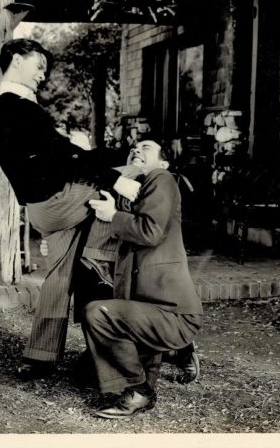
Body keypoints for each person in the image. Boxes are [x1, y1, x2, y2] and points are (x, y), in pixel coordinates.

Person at [0, 39, 142, 380]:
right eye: (38, 65)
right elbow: (65, 155)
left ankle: (39, 357)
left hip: (42, 209)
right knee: (134, 175)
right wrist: (118, 177)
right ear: (16, 60)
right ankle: (97, 260)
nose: (43, 75)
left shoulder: (5, 108)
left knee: (58, 277)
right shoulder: (18, 106)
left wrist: (100, 156)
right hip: (59, 203)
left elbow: (57, 156)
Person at [84, 139, 203, 419]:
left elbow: (150, 231)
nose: (137, 149)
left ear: (164, 162)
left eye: (146, 147)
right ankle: (174, 353)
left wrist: (113, 215)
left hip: (171, 312)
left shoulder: (161, 178)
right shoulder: (133, 193)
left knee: (97, 314)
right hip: (148, 310)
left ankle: (143, 388)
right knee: (85, 373)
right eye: (134, 147)